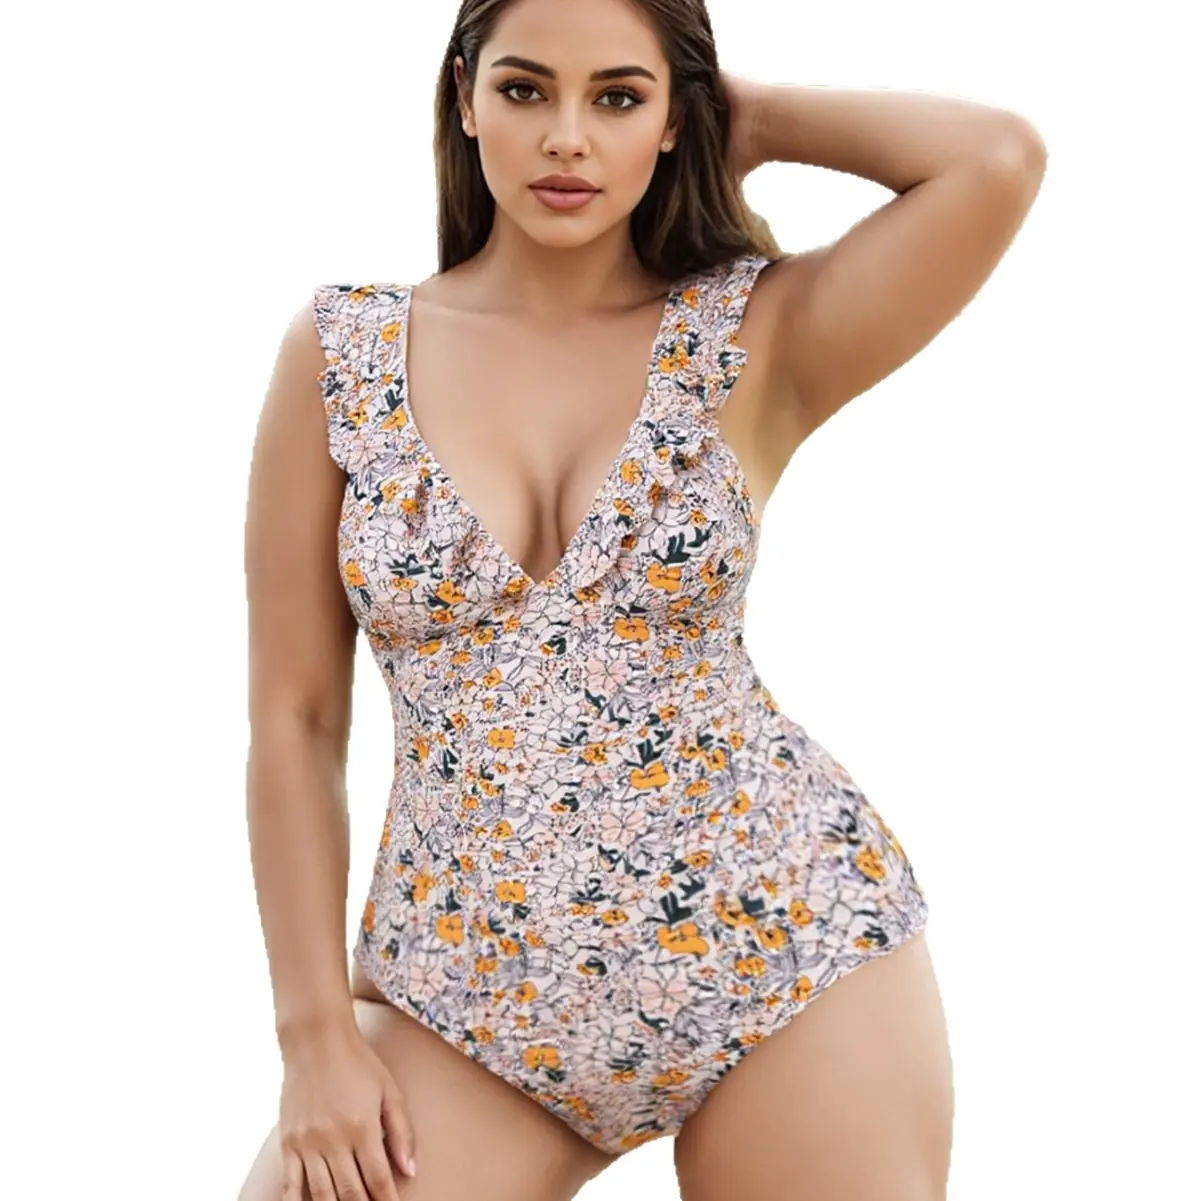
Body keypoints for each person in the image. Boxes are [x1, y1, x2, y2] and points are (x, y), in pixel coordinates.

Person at [239, 1, 1046, 1198]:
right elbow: (295, 720)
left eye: (616, 96)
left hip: (781, 948)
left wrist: (745, 117)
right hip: (463, 1002)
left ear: (673, 119)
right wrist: (313, 1041)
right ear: (465, 98)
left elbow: (994, 160)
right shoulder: (344, 352)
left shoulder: (754, 331)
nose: (566, 136)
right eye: (525, 90)